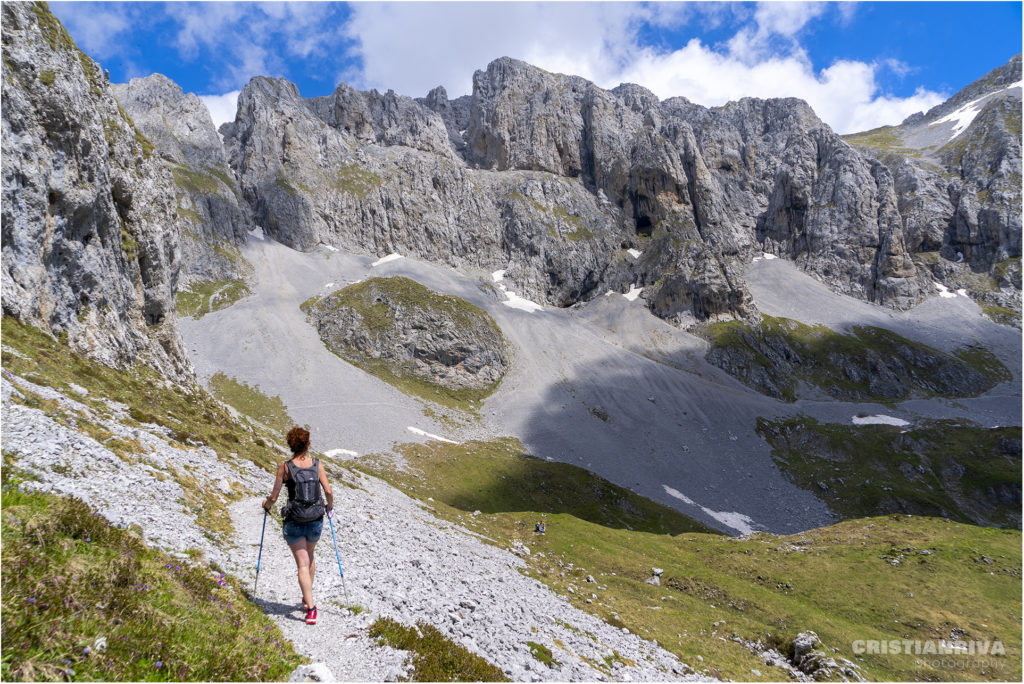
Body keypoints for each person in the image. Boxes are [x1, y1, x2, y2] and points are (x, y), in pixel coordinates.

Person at [263, 426, 333, 625]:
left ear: (290, 445)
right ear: (307, 443)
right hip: (315, 519)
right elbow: (328, 491)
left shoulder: (284, 467)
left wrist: (266, 506)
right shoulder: (317, 464)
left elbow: (274, 496)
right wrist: (329, 508)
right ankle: (307, 597)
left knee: (302, 563)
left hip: (294, 519)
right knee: (310, 556)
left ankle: (311, 609)